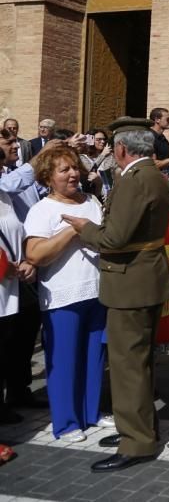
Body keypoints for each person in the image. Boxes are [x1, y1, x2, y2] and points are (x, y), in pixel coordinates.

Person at [60, 117, 169, 473]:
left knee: (128, 366)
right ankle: (137, 426)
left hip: (130, 282)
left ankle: (136, 441)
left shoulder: (134, 180)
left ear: (122, 149)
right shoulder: (154, 176)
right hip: (145, 278)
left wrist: (84, 228)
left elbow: (113, 238)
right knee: (139, 363)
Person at [24, 145, 110, 442]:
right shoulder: (42, 210)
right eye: (64, 170)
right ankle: (67, 422)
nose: (73, 174)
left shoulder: (91, 201)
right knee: (64, 360)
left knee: (93, 356)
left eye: (75, 168)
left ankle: (90, 412)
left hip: (96, 290)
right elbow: (35, 255)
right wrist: (73, 231)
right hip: (63, 295)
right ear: (49, 177)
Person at [0, 154, 35, 427]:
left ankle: (15, 393)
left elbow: (15, 232)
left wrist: (26, 260)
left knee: (11, 343)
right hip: (4, 278)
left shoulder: (4, 195)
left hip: (14, 281)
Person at [148, 108, 169, 173]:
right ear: (157, 120)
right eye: (168, 119)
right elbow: (152, 164)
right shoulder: (148, 137)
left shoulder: (164, 140)